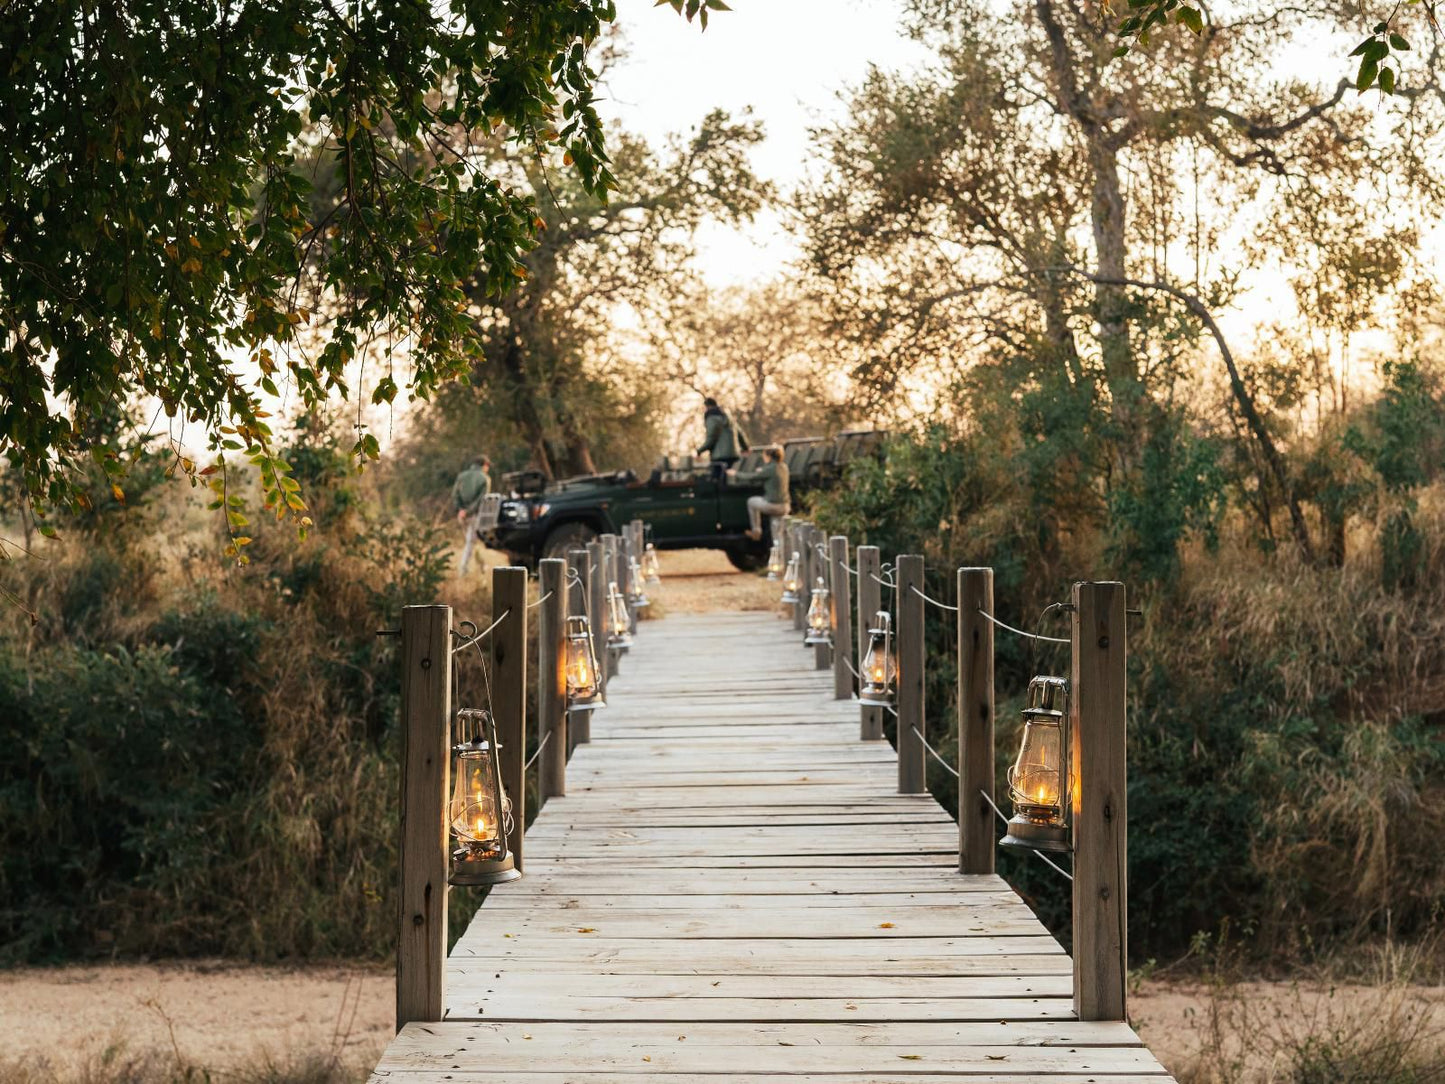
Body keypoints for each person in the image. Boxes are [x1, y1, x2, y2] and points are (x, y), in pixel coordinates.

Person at [730, 446, 789, 542]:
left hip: (773, 505)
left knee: (751, 501)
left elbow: (752, 477)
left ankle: (756, 531)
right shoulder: (783, 467)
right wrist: (762, 470)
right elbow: (771, 472)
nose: (763, 458)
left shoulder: (770, 469)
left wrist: (735, 473)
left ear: (769, 457)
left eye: (764, 456)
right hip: (785, 506)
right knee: (777, 532)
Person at [452, 455, 492, 574]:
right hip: (475, 515)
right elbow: (482, 500)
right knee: (471, 543)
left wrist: (461, 510)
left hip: (462, 515)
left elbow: (455, 495)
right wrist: (468, 511)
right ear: (484, 465)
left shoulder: (461, 476)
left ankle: (482, 566)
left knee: (471, 542)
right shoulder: (485, 478)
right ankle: (463, 570)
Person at [696, 397, 747, 479]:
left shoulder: (711, 418)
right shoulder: (728, 417)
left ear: (707, 407)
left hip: (719, 456)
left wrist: (700, 451)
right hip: (733, 454)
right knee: (729, 479)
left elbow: (711, 438)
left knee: (717, 481)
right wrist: (745, 448)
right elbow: (740, 433)